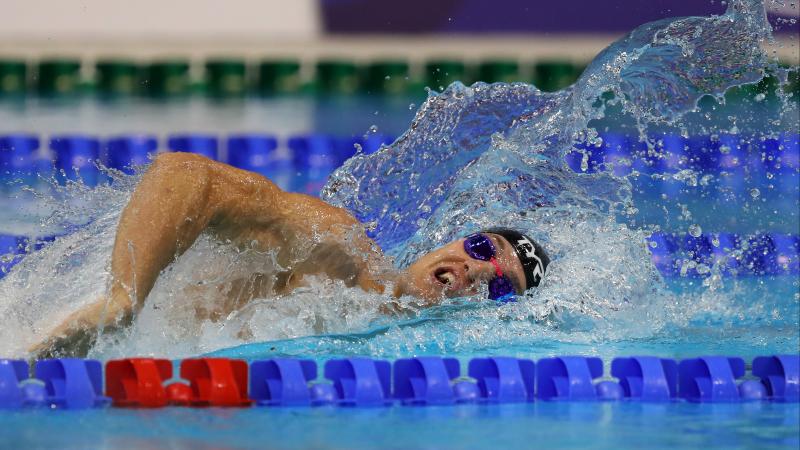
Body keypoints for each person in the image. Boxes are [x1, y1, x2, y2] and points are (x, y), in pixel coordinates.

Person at [31, 152, 549, 356]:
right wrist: (122, 303)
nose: (474, 270)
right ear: (451, 240)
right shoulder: (338, 251)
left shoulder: (404, 359)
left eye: (499, 286)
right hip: (87, 348)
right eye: (483, 248)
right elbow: (186, 176)